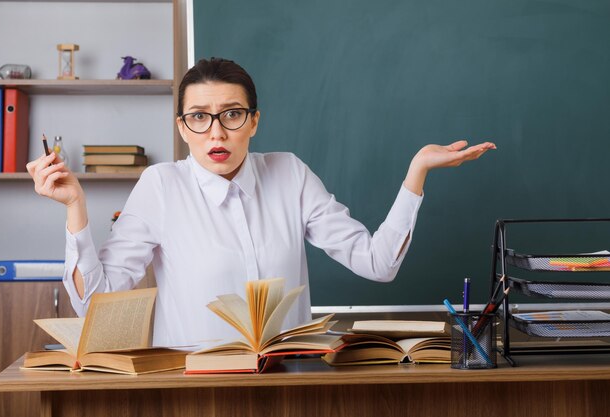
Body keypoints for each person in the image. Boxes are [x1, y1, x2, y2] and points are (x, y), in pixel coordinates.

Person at [27, 58, 495, 346]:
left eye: (232, 114)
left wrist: (416, 173)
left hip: (289, 382)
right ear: (181, 127)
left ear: (253, 121)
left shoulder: (288, 173)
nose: (216, 132)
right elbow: (96, 303)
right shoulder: (161, 186)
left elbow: (378, 264)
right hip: (198, 387)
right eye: (199, 117)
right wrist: (76, 209)